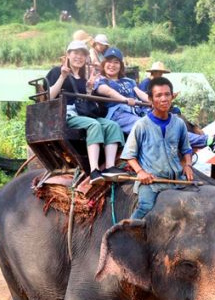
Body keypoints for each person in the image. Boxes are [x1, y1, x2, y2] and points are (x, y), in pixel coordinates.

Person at [46, 40, 126, 184]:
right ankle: (95, 170)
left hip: (83, 115)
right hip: (66, 115)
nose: (79, 57)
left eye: (82, 54)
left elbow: (85, 104)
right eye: (75, 53)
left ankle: (110, 167)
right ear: (68, 55)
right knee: (94, 125)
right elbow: (48, 96)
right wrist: (62, 77)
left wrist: (89, 90)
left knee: (112, 125)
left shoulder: (83, 79)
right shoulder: (56, 72)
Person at [121, 77, 193, 219]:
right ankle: (127, 237)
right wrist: (141, 172)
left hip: (177, 180)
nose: (164, 99)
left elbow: (186, 149)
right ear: (150, 99)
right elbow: (129, 154)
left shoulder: (179, 123)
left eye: (167, 94)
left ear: (172, 97)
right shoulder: (141, 125)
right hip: (152, 182)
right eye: (159, 95)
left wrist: (188, 165)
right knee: (145, 208)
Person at [94, 47, 149, 135]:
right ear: (104, 64)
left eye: (116, 62)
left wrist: (154, 101)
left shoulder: (129, 80)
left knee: (157, 122)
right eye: (109, 61)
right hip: (117, 113)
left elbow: (140, 93)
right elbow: (107, 91)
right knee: (143, 125)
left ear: (121, 66)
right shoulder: (101, 80)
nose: (112, 65)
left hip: (135, 111)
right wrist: (125, 100)